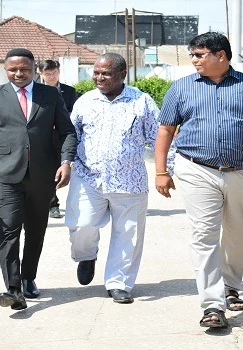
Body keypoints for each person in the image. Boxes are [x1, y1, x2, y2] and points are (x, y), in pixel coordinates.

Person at [154, 32, 243, 329]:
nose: (194, 60)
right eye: (192, 55)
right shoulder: (180, 89)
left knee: (239, 233)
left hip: (241, 170)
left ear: (221, 56)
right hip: (196, 169)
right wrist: (161, 171)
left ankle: (231, 286)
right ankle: (212, 305)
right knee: (204, 234)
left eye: (199, 55)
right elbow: (165, 129)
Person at [0, 48, 76, 310]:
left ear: (35, 69)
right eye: (13, 69)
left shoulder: (50, 94)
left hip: (43, 175)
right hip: (5, 175)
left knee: (35, 230)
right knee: (9, 229)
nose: (19, 74)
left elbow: (67, 131)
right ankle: (13, 288)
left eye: (24, 69)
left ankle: (29, 276)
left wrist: (66, 162)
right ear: (5, 69)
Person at [66, 54, 159, 304]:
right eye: (96, 72)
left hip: (130, 180)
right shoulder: (85, 102)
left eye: (105, 73)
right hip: (88, 177)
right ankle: (86, 255)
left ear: (122, 74)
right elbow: (70, 136)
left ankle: (119, 283)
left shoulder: (142, 102)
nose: (98, 77)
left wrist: (167, 170)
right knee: (82, 224)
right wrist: (64, 163)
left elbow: (159, 138)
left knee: (128, 233)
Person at [37, 59, 78, 219]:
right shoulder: (36, 90)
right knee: (43, 171)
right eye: (48, 73)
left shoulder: (69, 91)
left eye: (54, 73)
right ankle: (49, 203)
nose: (52, 76)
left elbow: (74, 114)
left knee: (57, 168)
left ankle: (52, 203)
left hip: (61, 137)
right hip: (41, 136)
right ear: (41, 74)